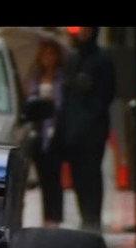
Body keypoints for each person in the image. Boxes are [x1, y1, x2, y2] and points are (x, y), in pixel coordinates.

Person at [54, 27, 116, 233]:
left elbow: (105, 97)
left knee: (91, 176)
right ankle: (85, 217)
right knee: (79, 178)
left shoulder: (102, 61)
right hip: (72, 131)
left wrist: (87, 122)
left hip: (92, 132)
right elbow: (65, 96)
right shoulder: (72, 60)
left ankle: (92, 219)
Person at [27, 38, 65, 228]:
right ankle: (46, 216)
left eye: (52, 54)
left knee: (54, 178)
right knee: (43, 178)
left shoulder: (62, 78)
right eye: (45, 55)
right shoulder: (35, 77)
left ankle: (54, 218)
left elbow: (65, 104)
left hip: (56, 132)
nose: (49, 59)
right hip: (39, 134)